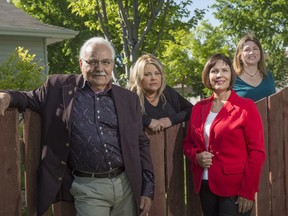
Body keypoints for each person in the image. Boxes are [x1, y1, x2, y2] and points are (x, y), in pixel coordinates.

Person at [0, 37, 154, 216]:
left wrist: (147, 188)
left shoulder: (128, 99)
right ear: (81, 63)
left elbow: (141, 143)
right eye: (93, 62)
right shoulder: (58, 88)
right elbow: (27, 98)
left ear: (112, 65)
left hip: (126, 183)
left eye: (106, 62)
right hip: (89, 187)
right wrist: (6, 97)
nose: (100, 68)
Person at [183, 54, 266, 216]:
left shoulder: (246, 107)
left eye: (224, 70)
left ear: (231, 75)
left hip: (234, 189)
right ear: (207, 76)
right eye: (214, 71)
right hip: (205, 185)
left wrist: (248, 191)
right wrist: (196, 156)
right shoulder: (199, 108)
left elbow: (257, 153)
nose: (219, 75)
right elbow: (188, 144)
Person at [128, 53, 192, 133]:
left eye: (157, 73)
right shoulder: (131, 95)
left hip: (174, 143)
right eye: (147, 74)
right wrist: (148, 121)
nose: (153, 78)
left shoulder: (166, 91)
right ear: (138, 77)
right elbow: (125, 114)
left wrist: (171, 120)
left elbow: (191, 109)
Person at [233, 32, 276, 101]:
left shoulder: (268, 75)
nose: (252, 52)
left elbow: (275, 102)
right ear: (239, 55)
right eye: (247, 50)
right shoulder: (232, 79)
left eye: (255, 49)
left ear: (260, 53)